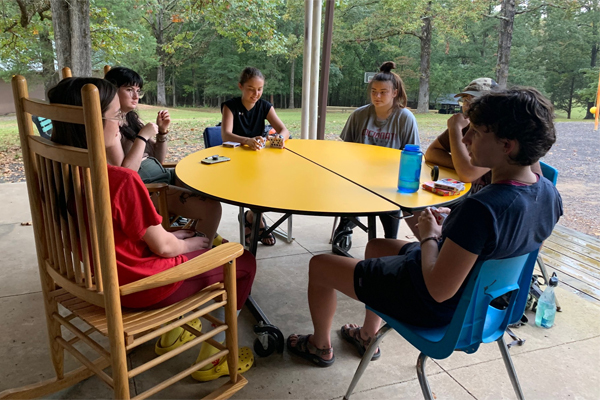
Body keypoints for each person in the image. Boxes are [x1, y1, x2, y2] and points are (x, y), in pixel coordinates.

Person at [286, 87, 563, 367]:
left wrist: (431, 235)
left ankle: (319, 346)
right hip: (477, 302)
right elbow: (491, 242)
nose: (465, 139)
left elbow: (438, 289)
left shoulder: (481, 209)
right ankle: (368, 335)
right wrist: (448, 234)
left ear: (508, 145)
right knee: (377, 245)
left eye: (476, 132)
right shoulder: (550, 195)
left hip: (436, 307)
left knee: (320, 265)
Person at [48, 77, 256, 381]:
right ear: (89, 122)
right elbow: (165, 249)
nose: (120, 124)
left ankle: (175, 333)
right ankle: (215, 359)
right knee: (243, 261)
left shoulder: (59, 174)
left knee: (186, 239)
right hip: (141, 289)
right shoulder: (120, 180)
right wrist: (191, 245)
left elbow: (139, 239)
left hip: (99, 281)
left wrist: (174, 236)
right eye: (116, 116)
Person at [104, 67, 225, 245]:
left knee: (206, 184)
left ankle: (206, 235)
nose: (136, 96)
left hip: (164, 178)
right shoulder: (111, 127)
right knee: (211, 208)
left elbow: (158, 159)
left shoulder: (130, 118)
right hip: (149, 190)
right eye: (129, 90)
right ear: (112, 90)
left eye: (138, 91)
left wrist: (162, 133)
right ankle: (199, 254)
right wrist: (142, 136)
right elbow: (125, 174)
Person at [334, 61, 420, 246]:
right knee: (349, 191)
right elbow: (345, 149)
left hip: (390, 177)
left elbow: (411, 154)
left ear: (395, 93)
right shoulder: (358, 115)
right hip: (358, 176)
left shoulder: (405, 118)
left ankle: (391, 241)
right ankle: (344, 228)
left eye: (383, 92)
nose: (377, 96)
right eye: (374, 91)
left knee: (389, 203)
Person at [425, 77, 541, 194]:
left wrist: (455, 129)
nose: (468, 106)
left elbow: (467, 174)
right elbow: (431, 153)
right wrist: (458, 164)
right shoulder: (465, 125)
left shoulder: (499, 132)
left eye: (476, 100)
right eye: (465, 100)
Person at [221, 67, 290, 246]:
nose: (256, 93)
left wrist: (280, 138)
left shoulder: (265, 106)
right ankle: (257, 221)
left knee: (277, 182)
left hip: (258, 157)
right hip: (234, 160)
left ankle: (251, 216)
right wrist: (247, 140)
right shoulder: (230, 106)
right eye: (251, 88)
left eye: (259, 89)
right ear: (241, 87)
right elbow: (226, 135)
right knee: (254, 183)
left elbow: (284, 130)